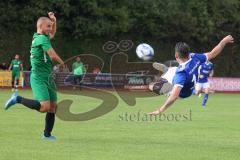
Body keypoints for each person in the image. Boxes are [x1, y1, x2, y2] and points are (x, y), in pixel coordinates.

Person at [5, 12, 65, 140]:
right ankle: (17, 99)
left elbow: (52, 34)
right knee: (44, 107)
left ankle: (47, 135)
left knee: (53, 107)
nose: (50, 29)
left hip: (48, 76)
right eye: (48, 26)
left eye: (51, 26)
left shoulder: (41, 36)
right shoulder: (41, 39)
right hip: (39, 77)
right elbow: (53, 55)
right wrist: (63, 63)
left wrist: (54, 21)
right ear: (40, 26)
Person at [148, 35, 234, 115]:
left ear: (176, 55)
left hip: (182, 93)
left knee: (151, 86)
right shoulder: (194, 57)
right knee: (174, 71)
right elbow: (212, 53)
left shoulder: (181, 73)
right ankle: (167, 71)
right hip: (185, 82)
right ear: (188, 53)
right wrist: (223, 41)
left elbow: (174, 97)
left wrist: (160, 110)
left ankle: (165, 74)